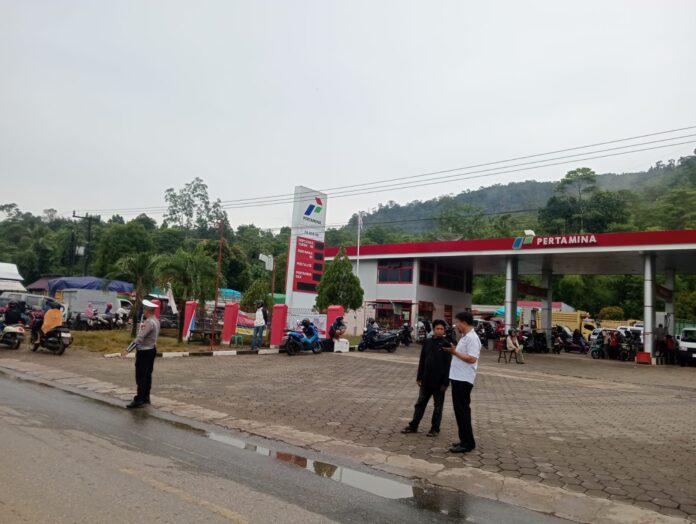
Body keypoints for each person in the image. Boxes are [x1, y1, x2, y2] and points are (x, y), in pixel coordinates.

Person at [401, 320, 453, 437]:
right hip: (426, 380)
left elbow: (448, 365)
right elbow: (422, 360)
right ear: (433, 330)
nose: (439, 331)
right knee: (420, 404)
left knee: (438, 407)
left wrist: (445, 383)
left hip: (439, 383)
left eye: (442, 329)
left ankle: (435, 429)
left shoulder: (446, 345)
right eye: (437, 329)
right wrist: (419, 377)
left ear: (444, 331)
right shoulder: (427, 342)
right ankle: (413, 426)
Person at [443, 311, 481, 453]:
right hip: (458, 378)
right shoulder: (466, 337)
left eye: (457, 322)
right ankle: (465, 440)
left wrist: (454, 352)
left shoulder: (472, 338)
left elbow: (472, 358)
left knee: (462, 411)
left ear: (463, 322)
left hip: (463, 379)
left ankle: (467, 443)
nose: (456, 325)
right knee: (460, 411)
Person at [121, 300, 160, 409]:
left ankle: (139, 399)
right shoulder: (156, 321)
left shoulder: (149, 322)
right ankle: (146, 397)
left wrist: (128, 350)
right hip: (151, 349)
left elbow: (139, 338)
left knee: (141, 376)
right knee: (147, 375)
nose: (143, 311)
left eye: (144, 309)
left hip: (144, 352)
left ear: (147, 310)